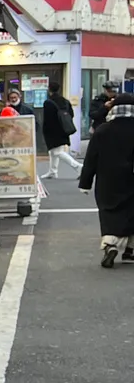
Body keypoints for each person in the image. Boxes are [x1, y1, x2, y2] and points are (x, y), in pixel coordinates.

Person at [79, 93, 134, 268]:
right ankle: (130, 250)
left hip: (108, 180)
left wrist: (85, 182)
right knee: (132, 212)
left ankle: (110, 244)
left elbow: (91, 158)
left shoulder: (103, 130)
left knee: (109, 211)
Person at [41, 81, 82, 179]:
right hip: (64, 129)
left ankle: (78, 166)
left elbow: (47, 120)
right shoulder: (65, 101)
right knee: (53, 151)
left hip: (52, 131)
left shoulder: (48, 102)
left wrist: (45, 131)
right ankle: (52, 171)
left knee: (57, 152)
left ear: (49, 89)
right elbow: (71, 114)